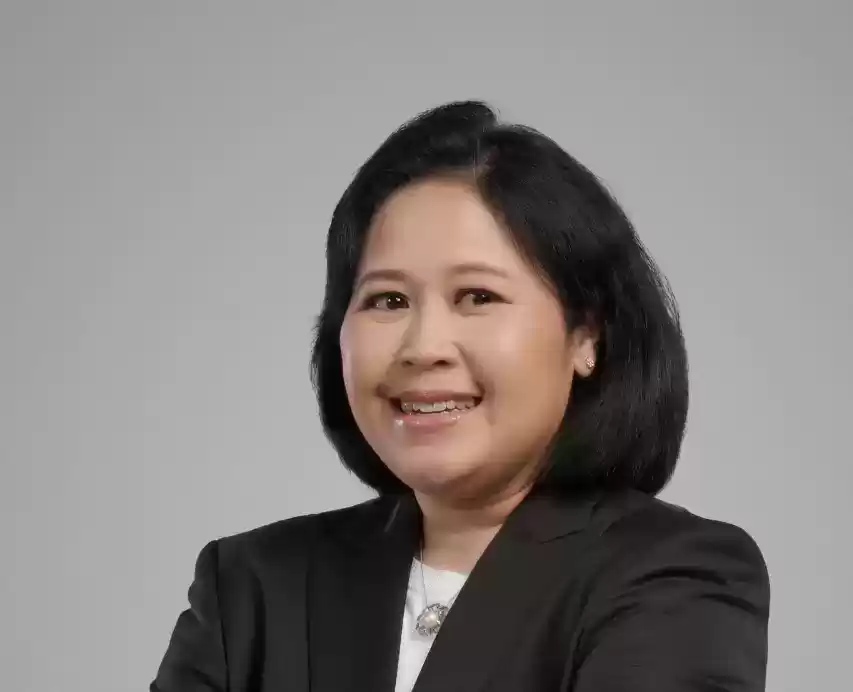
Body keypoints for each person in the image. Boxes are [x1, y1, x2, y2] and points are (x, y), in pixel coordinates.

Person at [150, 101, 770, 692]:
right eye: (388, 300)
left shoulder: (675, 575)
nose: (424, 347)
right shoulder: (250, 586)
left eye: (478, 297)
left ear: (585, 336)